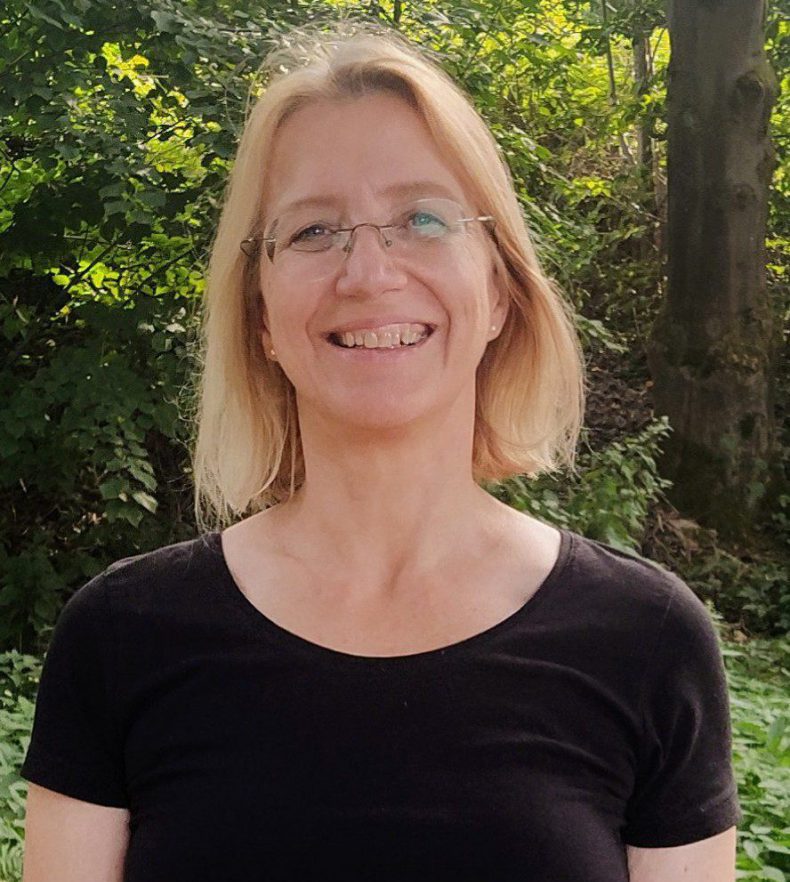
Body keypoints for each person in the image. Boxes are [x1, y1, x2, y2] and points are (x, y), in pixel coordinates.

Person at [20, 24, 741, 882]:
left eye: (423, 219)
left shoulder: (646, 641)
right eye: (313, 231)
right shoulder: (120, 637)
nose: (368, 272)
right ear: (261, 316)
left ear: (499, 291)